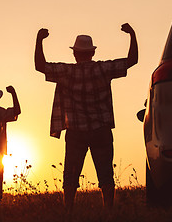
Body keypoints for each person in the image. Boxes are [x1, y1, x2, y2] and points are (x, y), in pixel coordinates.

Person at [34, 24, 138, 214]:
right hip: (101, 130)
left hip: (75, 132)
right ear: (91, 52)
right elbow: (132, 60)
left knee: (71, 175)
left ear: (75, 54)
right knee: (106, 173)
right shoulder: (103, 69)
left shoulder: (66, 72)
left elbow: (40, 66)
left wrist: (39, 40)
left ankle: (68, 211)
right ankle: (108, 212)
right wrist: (132, 34)